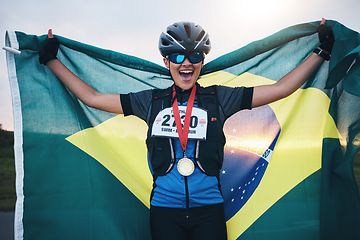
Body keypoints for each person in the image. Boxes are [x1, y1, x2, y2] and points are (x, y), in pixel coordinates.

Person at [39, 19, 334, 240]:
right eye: (178, 57)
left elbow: (282, 88)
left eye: (195, 56)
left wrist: (320, 51)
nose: (187, 64)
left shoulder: (219, 98)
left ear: (202, 62)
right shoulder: (149, 101)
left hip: (210, 211)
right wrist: (52, 60)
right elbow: (92, 98)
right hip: (165, 212)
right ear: (166, 61)